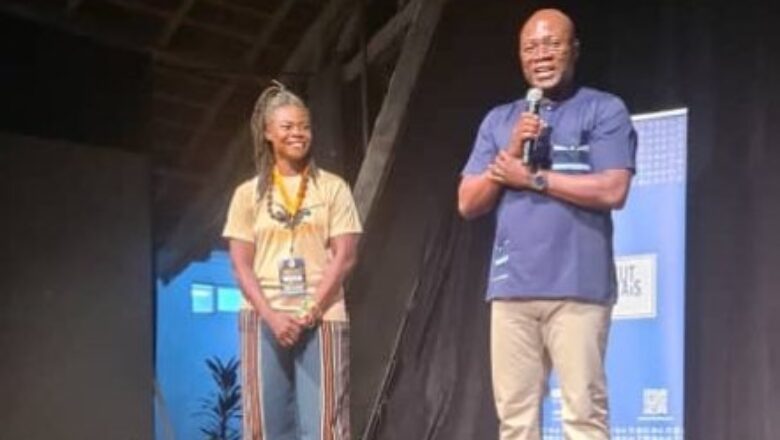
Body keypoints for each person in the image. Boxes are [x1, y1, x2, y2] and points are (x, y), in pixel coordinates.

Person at [458, 8, 637, 440]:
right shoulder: (501, 121)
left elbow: (614, 190)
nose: (541, 55)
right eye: (531, 47)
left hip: (578, 288)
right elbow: (468, 202)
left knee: (583, 416)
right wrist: (515, 147)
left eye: (552, 44)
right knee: (515, 421)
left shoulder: (604, 109)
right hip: (511, 289)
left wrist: (534, 179)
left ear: (574, 49)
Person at [223, 81, 362, 440]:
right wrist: (271, 315)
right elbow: (240, 264)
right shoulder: (247, 194)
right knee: (265, 425)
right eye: (288, 127)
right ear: (268, 133)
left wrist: (312, 308)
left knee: (326, 426)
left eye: (304, 126)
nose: (298, 134)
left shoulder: (333, 188)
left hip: (322, 315)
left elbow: (345, 255)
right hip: (263, 317)